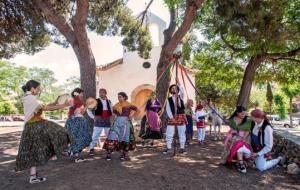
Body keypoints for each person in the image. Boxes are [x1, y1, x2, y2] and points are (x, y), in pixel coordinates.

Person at [16, 80, 72, 184]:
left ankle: (33, 177)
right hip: (35, 127)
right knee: (61, 131)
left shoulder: (29, 98)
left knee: (34, 152)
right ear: (32, 89)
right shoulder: (31, 99)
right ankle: (59, 151)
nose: (39, 90)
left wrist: (56, 102)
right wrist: (64, 105)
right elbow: (46, 108)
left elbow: (44, 106)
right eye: (38, 88)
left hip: (32, 128)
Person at [103, 92, 137, 161]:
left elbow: (135, 109)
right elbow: (113, 114)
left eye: (120, 97)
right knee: (112, 136)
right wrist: (112, 122)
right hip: (117, 122)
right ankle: (109, 153)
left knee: (125, 138)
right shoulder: (116, 105)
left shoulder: (129, 104)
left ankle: (123, 154)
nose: (119, 98)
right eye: (118, 97)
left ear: (124, 97)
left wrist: (130, 116)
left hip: (125, 123)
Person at [221, 106, 253, 173]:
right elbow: (232, 129)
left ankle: (241, 162)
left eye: (244, 113)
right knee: (233, 141)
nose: (243, 115)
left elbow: (248, 131)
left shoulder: (248, 120)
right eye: (242, 113)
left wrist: (243, 137)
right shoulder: (232, 119)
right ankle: (233, 161)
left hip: (245, 136)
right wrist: (234, 132)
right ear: (237, 113)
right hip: (234, 135)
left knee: (240, 144)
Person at [65, 88, 92, 163]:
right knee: (81, 137)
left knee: (74, 138)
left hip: (71, 121)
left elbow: (72, 112)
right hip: (79, 121)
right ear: (78, 93)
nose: (83, 95)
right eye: (82, 93)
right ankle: (76, 156)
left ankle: (72, 152)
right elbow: (81, 112)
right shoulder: (78, 101)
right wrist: (87, 105)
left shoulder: (72, 100)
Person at [163, 84, 187, 155]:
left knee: (182, 132)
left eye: (175, 88)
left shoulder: (181, 97)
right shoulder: (168, 100)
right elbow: (168, 109)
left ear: (178, 90)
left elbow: (182, 92)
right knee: (169, 132)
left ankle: (182, 148)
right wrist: (172, 118)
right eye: (172, 88)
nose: (174, 89)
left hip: (181, 116)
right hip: (172, 116)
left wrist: (179, 84)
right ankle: (168, 147)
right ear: (170, 90)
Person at [89, 88, 113, 156]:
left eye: (102, 92)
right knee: (95, 135)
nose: (101, 94)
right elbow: (89, 109)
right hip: (99, 120)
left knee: (109, 135)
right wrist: (93, 117)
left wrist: (111, 120)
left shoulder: (109, 101)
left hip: (107, 120)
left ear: (105, 93)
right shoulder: (95, 101)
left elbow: (111, 111)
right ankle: (91, 148)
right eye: (100, 92)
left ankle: (109, 148)